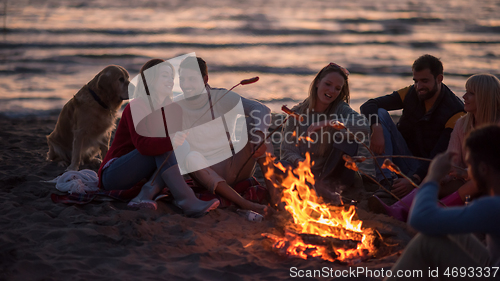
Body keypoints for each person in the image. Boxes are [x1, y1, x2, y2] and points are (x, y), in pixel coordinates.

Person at [370, 73, 500, 221]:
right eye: (465, 91)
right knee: (434, 178)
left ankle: (431, 214)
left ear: (485, 97)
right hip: (464, 182)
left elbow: (493, 171)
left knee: (474, 184)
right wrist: (444, 174)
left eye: (471, 93)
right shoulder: (462, 124)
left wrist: (464, 173)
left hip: (491, 186)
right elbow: (452, 159)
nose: (464, 96)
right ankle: (399, 209)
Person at [98, 59, 219, 216]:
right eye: (164, 76)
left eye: (171, 76)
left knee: (182, 146)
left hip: (143, 174)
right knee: (166, 144)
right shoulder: (136, 106)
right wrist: (170, 141)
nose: (170, 80)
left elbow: (173, 151)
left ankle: (146, 194)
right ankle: (186, 199)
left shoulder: (172, 108)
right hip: (115, 174)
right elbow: (143, 145)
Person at [384, 125, 500, 281]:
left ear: (484, 169)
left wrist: (432, 177)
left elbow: (419, 220)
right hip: (493, 264)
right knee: (454, 229)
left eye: (470, 165)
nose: (469, 172)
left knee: (426, 243)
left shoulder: (492, 206)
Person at [174, 56, 277, 215]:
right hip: (205, 175)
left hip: (235, 166)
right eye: (183, 79)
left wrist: (258, 133)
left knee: (256, 130)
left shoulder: (221, 97)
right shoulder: (176, 107)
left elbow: (261, 109)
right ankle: (244, 203)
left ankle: (275, 194)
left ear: (205, 79)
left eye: (192, 79)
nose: (186, 85)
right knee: (188, 154)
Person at [360, 54, 464, 197]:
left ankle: (394, 188)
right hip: (402, 158)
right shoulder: (411, 92)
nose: (419, 86)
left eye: (424, 81)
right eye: (416, 81)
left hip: (425, 170)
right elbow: (369, 105)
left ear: (439, 78)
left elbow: (439, 155)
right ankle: (385, 182)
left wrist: (413, 179)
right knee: (380, 113)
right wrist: (376, 128)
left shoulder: (455, 112)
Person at [280, 62, 373, 202]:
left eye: (337, 88)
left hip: (334, 178)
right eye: (328, 84)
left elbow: (364, 127)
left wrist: (328, 123)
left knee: (348, 138)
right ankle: (312, 192)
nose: (331, 91)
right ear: (317, 83)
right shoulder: (297, 113)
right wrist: (302, 165)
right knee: (281, 166)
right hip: (304, 175)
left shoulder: (340, 109)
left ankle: (331, 191)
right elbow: (287, 151)